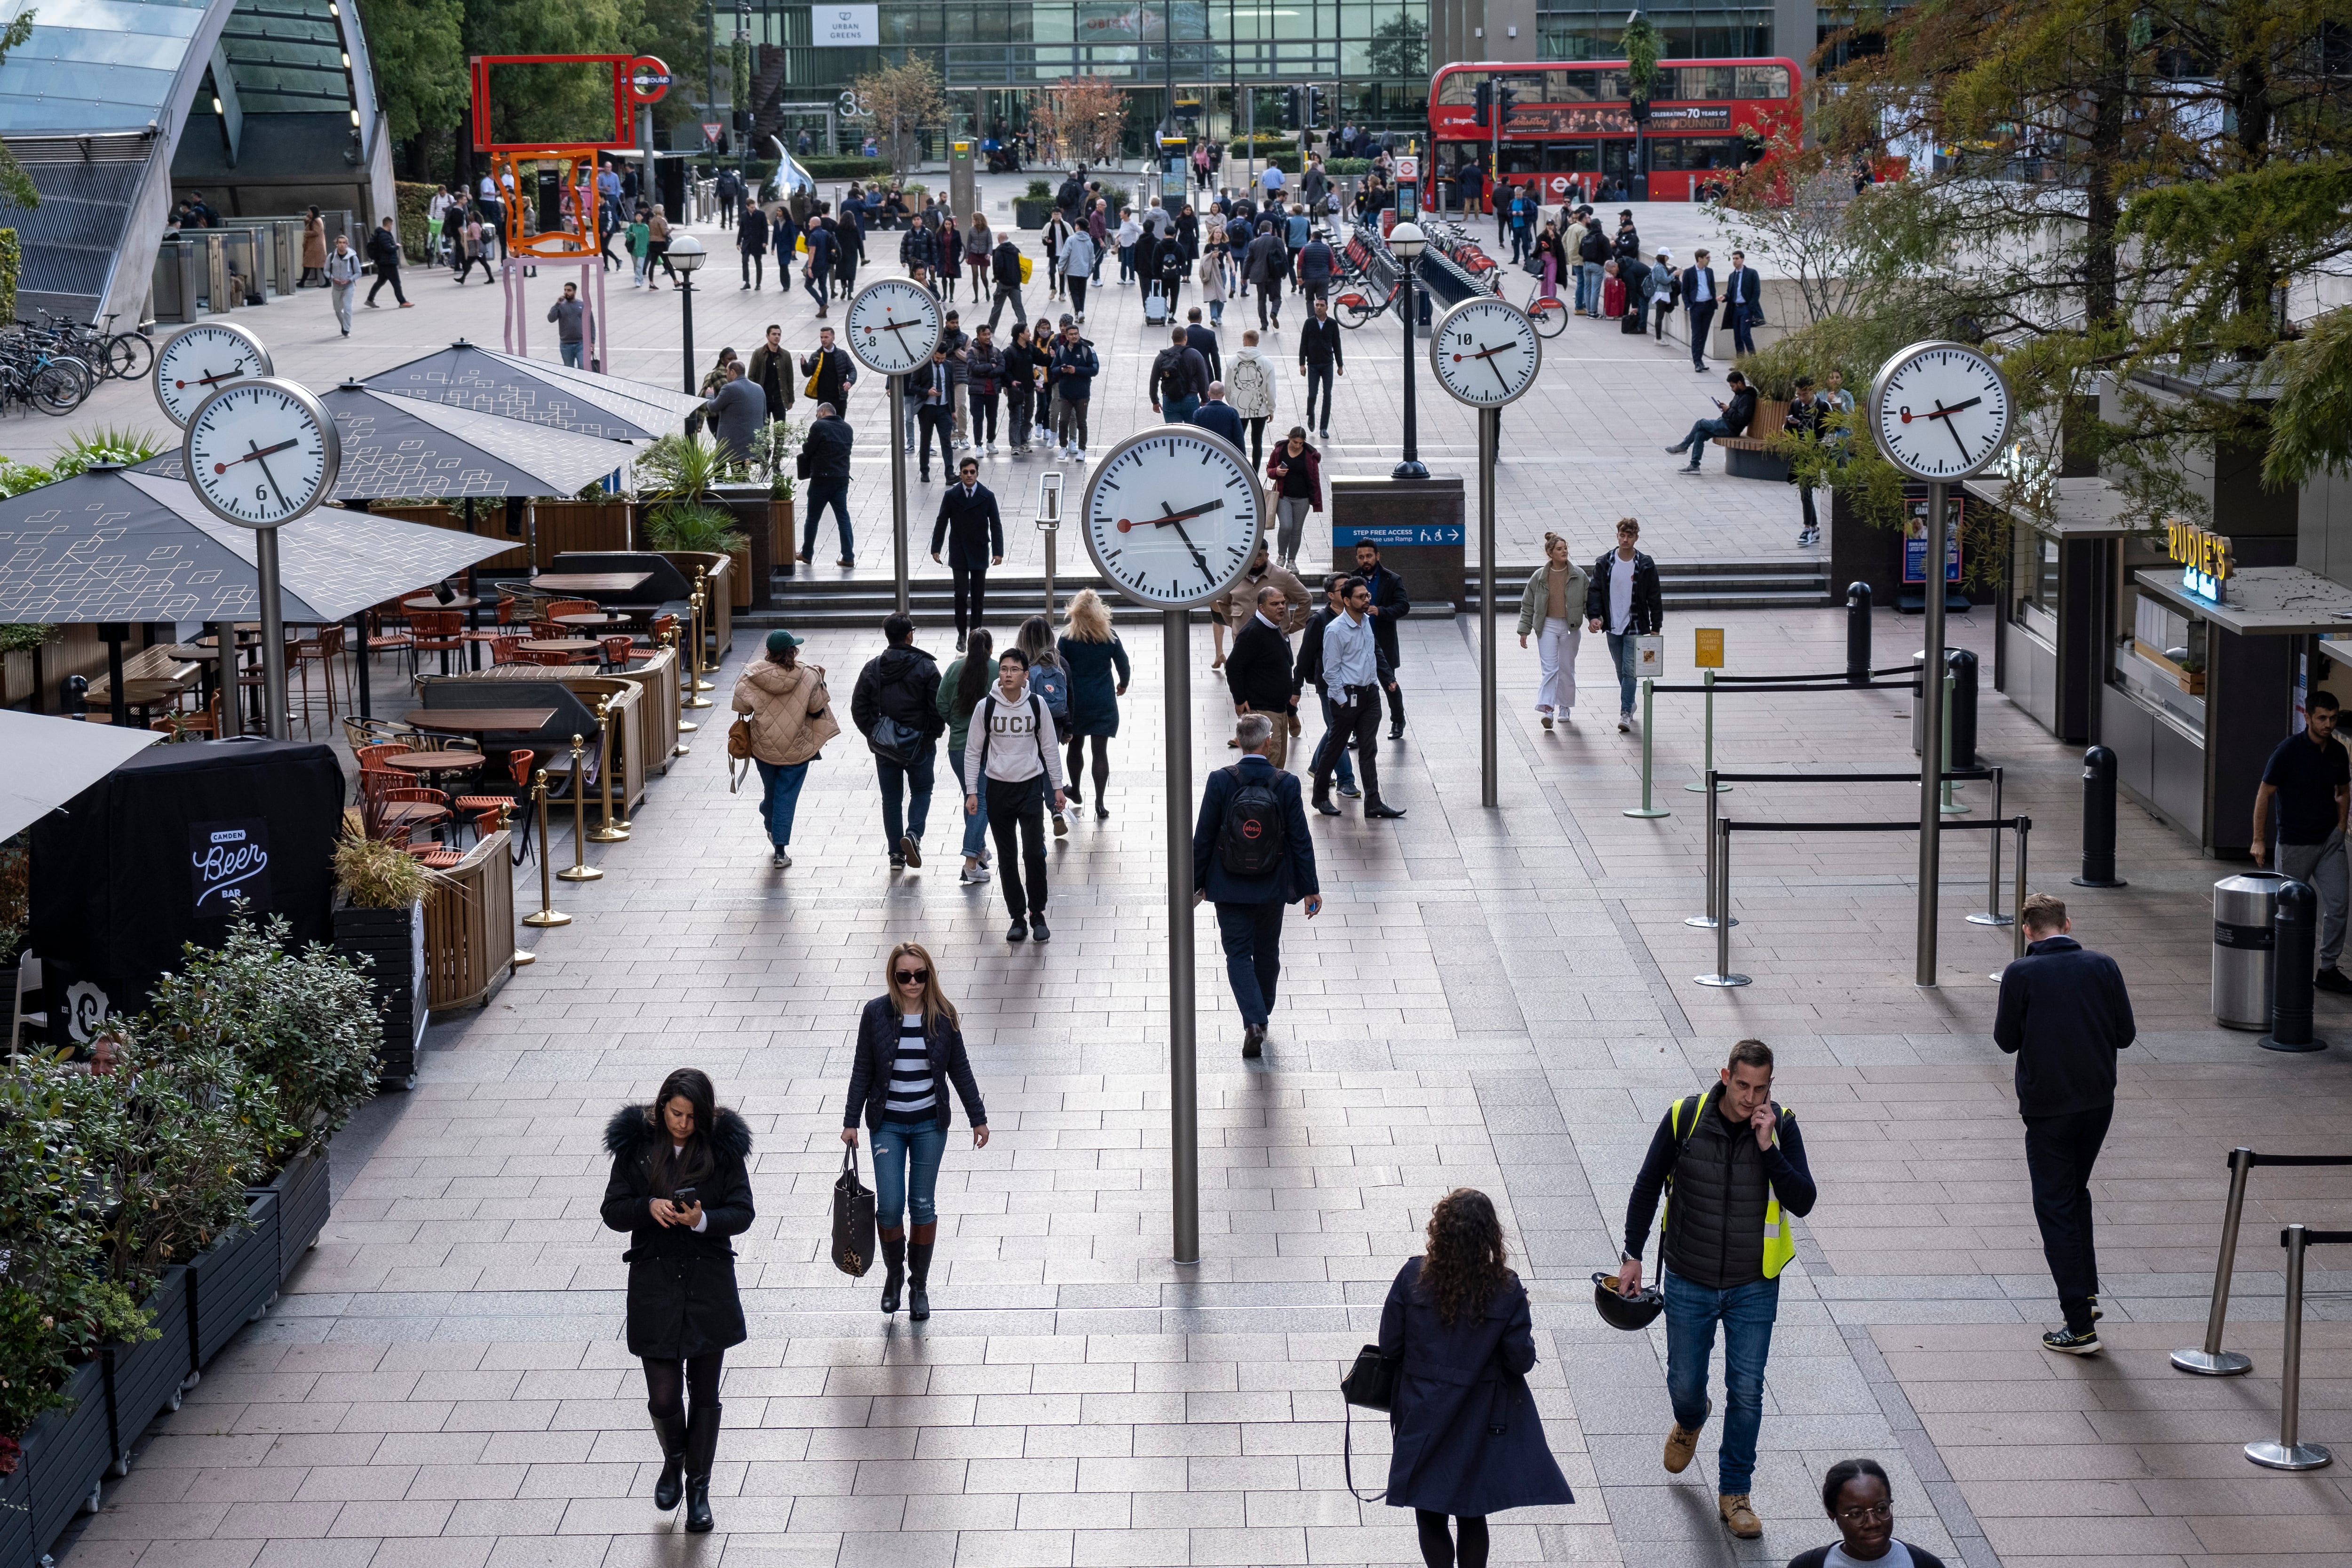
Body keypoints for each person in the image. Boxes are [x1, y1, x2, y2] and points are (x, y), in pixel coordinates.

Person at [1617, 1040, 1817, 1543]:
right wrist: (1632, 1254)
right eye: (1743, 1086)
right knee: (1685, 1383)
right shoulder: (1686, 1117)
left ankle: (1735, 1492)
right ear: (1725, 1076)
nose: (1751, 1099)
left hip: (1754, 1283)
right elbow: (1645, 1186)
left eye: (1762, 1089)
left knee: (1746, 1391)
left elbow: (1804, 1200)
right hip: (1689, 1275)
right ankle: (1690, 1418)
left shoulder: (1782, 1125)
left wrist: (1767, 1146)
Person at [1379, 1189, 1574, 1568]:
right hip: (1480, 1418)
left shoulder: (1411, 1277)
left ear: (1441, 1231)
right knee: (1472, 1511)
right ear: (1490, 1236)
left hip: (1422, 1410)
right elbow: (1520, 1360)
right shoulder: (1506, 1289)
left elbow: (1390, 1345)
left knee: (1429, 1509)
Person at [600, 1068, 754, 1534]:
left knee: (705, 1394)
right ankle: (674, 1459)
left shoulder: (721, 1149)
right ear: (661, 1106)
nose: (682, 1124)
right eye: (674, 1114)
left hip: (708, 1284)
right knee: (664, 1396)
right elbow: (612, 1210)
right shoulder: (637, 1148)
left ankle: (699, 1491)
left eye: (690, 1117)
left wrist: (703, 1220)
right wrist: (647, 1208)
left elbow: (743, 1211)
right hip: (656, 1283)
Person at [1994, 892, 2137, 1355]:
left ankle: (2078, 1324)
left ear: (2026, 931)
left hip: (2047, 1108)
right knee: (2075, 1193)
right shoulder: (2103, 967)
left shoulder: (2020, 973)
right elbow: (2125, 1035)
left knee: (2054, 1203)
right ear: (2067, 925)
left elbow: (2004, 1039)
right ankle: (2086, 1292)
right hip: (2097, 1102)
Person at [841, 945, 989, 1318]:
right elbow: (862, 1068)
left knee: (922, 1204)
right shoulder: (876, 1013)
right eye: (904, 975)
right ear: (893, 976)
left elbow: (961, 1070)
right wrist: (851, 1121)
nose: (912, 982)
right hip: (887, 1124)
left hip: (929, 1124)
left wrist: (978, 1117)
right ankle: (894, 1276)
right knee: (890, 1206)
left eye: (919, 975)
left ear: (929, 975)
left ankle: (918, 1286)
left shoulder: (944, 1015)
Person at [1194, 712, 1321, 1056]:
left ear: (1238, 741)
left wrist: (1194, 884)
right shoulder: (1286, 783)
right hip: (1271, 885)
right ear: (1268, 742)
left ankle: (1253, 1021)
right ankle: (1261, 1017)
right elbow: (1300, 839)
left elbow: (1204, 836)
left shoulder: (1221, 781)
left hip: (1228, 885)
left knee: (1238, 953)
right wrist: (1310, 887)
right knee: (1267, 951)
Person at [962, 647, 1068, 940]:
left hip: (1030, 787)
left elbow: (1049, 748)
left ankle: (1038, 913)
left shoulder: (1037, 705)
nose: (1008, 674)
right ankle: (1017, 917)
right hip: (997, 789)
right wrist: (972, 791)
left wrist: (1057, 788)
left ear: (1026, 676)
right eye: (1004, 669)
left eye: (1014, 670)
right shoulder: (986, 707)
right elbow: (973, 752)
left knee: (1034, 853)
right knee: (1008, 858)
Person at [2253, 691, 2352, 990]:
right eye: (2322, 718)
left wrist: (2341, 828)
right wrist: (2259, 840)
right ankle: (2283, 966)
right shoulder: (2288, 752)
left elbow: (2344, 790)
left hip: (2329, 843)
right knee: (2289, 910)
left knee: (2338, 904)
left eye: (2333, 718)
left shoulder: (2338, 752)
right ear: (2307, 717)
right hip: (2295, 843)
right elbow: (2264, 794)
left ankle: (2328, 968)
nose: (2328, 724)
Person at [728, 629, 836, 866]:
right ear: (793, 651)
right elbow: (817, 710)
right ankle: (780, 852)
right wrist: (821, 681)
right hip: (797, 748)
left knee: (772, 791)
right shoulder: (809, 675)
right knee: (786, 797)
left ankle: (770, 818)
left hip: (763, 747)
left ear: (769, 652)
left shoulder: (752, 674)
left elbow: (743, 709)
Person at [850, 611, 945, 870]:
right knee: (922, 790)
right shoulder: (926, 666)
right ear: (909, 635)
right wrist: (932, 735)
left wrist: (875, 733)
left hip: (886, 747)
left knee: (891, 799)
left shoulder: (874, 667)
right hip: (920, 744)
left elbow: (858, 707)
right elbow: (937, 706)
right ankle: (913, 835)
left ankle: (895, 855)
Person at [1309, 575, 1404, 818]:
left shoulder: (1367, 622)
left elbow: (1371, 655)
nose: (1366, 600)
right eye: (1361, 597)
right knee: (1335, 746)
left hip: (1369, 695)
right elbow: (1330, 670)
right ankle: (1319, 797)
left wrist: (1375, 685)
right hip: (1346, 698)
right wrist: (1341, 699)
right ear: (1347, 600)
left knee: (1368, 749)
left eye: (1368, 596)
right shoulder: (1335, 630)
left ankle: (1373, 803)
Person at [1789, 1459, 1950, 1568]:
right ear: (1834, 1517)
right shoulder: (1809, 1565)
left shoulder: (1923, 1564)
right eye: (1856, 1514)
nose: (1873, 1523)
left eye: (1881, 1509)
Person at [1056, 589, 1130, 817]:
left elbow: (1059, 669)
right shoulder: (1109, 636)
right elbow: (1124, 665)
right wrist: (1123, 684)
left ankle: (1076, 790)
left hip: (1076, 701)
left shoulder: (1067, 638)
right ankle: (1100, 801)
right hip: (1103, 701)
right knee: (1100, 752)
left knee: (1075, 746)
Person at [1585, 517, 1663, 732]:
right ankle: (1630, 700)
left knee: (1630, 670)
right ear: (1617, 535)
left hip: (1635, 625)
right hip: (1612, 625)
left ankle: (1625, 712)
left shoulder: (1645, 564)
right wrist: (1594, 616)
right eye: (1622, 535)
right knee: (1621, 669)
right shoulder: (1605, 562)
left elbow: (1654, 596)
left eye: (1630, 536)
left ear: (1636, 537)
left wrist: (1656, 626)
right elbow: (1595, 592)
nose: (1626, 540)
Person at [1223, 585, 1307, 775]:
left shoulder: (1274, 628)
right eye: (1275, 604)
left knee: (1278, 763)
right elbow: (1234, 666)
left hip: (1279, 710)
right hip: (1264, 713)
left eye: (1283, 603)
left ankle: (1272, 802)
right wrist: (1239, 699)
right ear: (1261, 608)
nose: (1281, 608)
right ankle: (1262, 802)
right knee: (1268, 763)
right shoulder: (1252, 632)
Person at [938, 629, 997, 885]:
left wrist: (956, 724)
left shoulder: (954, 669)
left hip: (958, 748)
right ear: (991, 649)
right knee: (982, 801)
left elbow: (941, 704)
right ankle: (971, 863)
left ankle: (980, 850)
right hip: (986, 748)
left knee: (971, 798)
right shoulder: (998, 670)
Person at [1295, 575, 1361, 800]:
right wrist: (1296, 688)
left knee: (1336, 728)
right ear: (1332, 595)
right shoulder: (1320, 620)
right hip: (1330, 686)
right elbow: (1304, 656)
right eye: (1343, 588)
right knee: (1339, 732)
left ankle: (1316, 766)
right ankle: (1346, 780)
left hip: (1355, 685)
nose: (1348, 591)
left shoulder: (1360, 616)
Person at [930, 456, 1004, 651]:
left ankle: (975, 634)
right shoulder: (952, 496)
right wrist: (936, 547)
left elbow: (996, 525)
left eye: (972, 472)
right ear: (960, 474)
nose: (969, 475)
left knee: (978, 597)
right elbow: (941, 521)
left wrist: (998, 552)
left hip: (979, 551)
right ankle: (962, 634)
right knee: (961, 595)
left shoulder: (987, 496)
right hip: (960, 552)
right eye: (965, 472)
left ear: (977, 474)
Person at [1518, 531, 1588, 730]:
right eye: (1560, 549)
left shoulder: (1579, 575)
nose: (1564, 552)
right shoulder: (1539, 577)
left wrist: (1595, 620)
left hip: (1570, 626)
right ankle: (1548, 709)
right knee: (1550, 669)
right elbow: (1528, 604)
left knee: (1566, 668)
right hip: (1547, 625)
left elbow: (1588, 602)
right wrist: (1525, 630)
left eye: (1565, 548)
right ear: (1550, 553)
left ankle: (1565, 706)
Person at [1211, 539, 1310, 670]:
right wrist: (1235, 623)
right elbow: (1223, 602)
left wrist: (1295, 626)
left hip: (1275, 642)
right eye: (1250, 555)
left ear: (1267, 556)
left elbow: (1306, 599)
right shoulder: (1235, 576)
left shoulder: (1283, 577)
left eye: (1258, 556)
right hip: (1243, 643)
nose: (1254, 560)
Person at [1352, 540, 1411, 739]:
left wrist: (1381, 611)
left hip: (1383, 643)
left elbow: (1403, 606)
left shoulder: (1392, 579)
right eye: (1361, 557)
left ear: (1378, 556)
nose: (1365, 560)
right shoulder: (1351, 580)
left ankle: (1397, 721)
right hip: (1357, 645)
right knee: (1356, 689)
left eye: (1369, 556)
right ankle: (1355, 730)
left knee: (1390, 684)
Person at [1667, 369, 1759, 474]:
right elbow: (1736, 412)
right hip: (1726, 424)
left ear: (1740, 383)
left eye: (1733, 386)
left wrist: (1728, 410)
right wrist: (1727, 408)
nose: (1732, 389)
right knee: (1700, 434)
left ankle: (1683, 447)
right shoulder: (1740, 395)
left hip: (1730, 428)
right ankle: (1694, 466)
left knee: (1700, 423)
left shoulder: (1747, 398)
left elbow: (1742, 419)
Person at [797, 402, 855, 566]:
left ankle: (807, 554)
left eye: (817, 414)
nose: (817, 417)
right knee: (843, 518)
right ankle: (848, 556)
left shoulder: (819, 426)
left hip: (821, 480)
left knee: (813, 519)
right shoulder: (847, 428)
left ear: (822, 412)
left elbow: (808, 450)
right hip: (841, 479)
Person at [1264, 428, 1323, 573]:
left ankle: (1292, 560)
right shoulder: (1280, 451)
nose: (1297, 445)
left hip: (1303, 498)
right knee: (1286, 526)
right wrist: (1276, 472)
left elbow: (1315, 478)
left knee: (1297, 531)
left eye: (1300, 443)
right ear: (1289, 438)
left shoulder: (1310, 455)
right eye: (1295, 442)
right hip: (1284, 496)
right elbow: (1269, 470)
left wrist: (1316, 500)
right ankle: (1281, 556)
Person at [1049, 318, 1097, 460]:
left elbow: (1094, 370)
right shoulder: (1063, 350)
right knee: (1063, 421)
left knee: (1081, 422)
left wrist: (1076, 370)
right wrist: (1062, 370)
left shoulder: (1086, 350)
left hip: (1082, 393)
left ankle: (1082, 449)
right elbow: (1053, 368)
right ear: (1067, 336)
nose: (1074, 336)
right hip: (1065, 393)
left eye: (1076, 334)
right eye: (1071, 334)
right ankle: (1063, 447)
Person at [1228, 329, 1278, 468]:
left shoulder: (1233, 361)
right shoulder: (1267, 363)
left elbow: (1228, 386)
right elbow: (1271, 389)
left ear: (1244, 342)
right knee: (1257, 442)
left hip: (1238, 408)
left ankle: (1240, 467)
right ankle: (1255, 471)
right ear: (1257, 342)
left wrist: (1232, 402)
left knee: (1238, 440)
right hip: (1260, 408)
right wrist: (1271, 408)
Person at [1297, 294, 1343, 441]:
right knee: (1312, 394)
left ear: (1327, 308)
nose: (1318, 308)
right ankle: (1311, 413)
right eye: (1317, 305)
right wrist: (1302, 364)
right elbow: (1303, 343)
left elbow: (1337, 344)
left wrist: (1340, 365)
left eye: (1321, 306)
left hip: (1328, 364)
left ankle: (1324, 427)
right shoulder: (1309, 323)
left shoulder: (1332, 324)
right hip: (1313, 365)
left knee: (1327, 395)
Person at [701, 361, 765, 466]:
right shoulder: (759, 388)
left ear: (732, 372)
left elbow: (713, 407)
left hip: (734, 443)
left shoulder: (729, 388)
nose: (726, 374)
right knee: (742, 474)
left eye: (727, 371)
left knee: (720, 470)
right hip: (754, 441)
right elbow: (764, 416)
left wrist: (709, 397)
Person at [1787, 375, 1825, 547]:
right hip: (1800, 453)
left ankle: (1809, 528)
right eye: (1799, 394)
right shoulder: (1795, 404)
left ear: (1813, 390)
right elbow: (1788, 429)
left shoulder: (1824, 407)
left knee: (1807, 490)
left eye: (1805, 394)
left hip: (1816, 454)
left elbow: (1830, 432)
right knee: (1805, 490)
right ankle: (1811, 528)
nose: (1802, 398)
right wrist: (1792, 424)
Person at [1150, 325, 1210, 425]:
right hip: (1191, 398)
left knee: (1173, 432)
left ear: (1173, 339)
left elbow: (1154, 380)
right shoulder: (1195, 355)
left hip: (1169, 399)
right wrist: (1205, 399)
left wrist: (1155, 401)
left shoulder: (1162, 356)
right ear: (1186, 338)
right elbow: (1203, 379)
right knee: (1193, 433)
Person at [912, 346, 956, 481]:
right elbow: (912, 386)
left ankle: (950, 473)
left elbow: (950, 389)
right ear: (933, 355)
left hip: (944, 409)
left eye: (943, 359)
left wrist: (953, 410)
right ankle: (924, 471)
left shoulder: (948, 366)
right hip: (927, 408)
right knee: (926, 440)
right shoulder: (922, 365)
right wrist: (927, 392)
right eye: (937, 358)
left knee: (946, 441)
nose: (940, 361)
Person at [1002, 323, 1042, 455]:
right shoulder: (1010, 352)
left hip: (1029, 388)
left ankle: (1024, 442)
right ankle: (1015, 444)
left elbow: (1043, 359)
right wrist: (1011, 382)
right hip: (1016, 390)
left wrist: (1053, 356)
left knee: (1028, 415)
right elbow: (1005, 371)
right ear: (1020, 334)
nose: (1030, 334)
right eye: (1028, 331)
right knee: (1016, 416)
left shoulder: (1030, 348)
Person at [747, 324, 795, 427]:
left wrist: (791, 399)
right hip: (764, 397)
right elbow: (751, 376)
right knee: (764, 429)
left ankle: (779, 444)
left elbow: (790, 378)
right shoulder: (759, 353)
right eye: (774, 334)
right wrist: (753, 397)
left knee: (780, 429)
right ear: (768, 336)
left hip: (780, 398)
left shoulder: (785, 355)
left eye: (779, 334)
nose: (777, 337)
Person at [801, 325, 857, 414]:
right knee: (825, 423)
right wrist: (804, 365)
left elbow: (852, 371)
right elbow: (808, 373)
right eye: (822, 337)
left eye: (826, 337)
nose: (823, 340)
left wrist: (850, 382)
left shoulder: (842, 354)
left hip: (839, 398)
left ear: (833, 338)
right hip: (823, 398)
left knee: (839, 422)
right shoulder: (816, 356)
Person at [966, 324, 1004, 455]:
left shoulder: (996, 351)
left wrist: (987, 371)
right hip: (976, 391)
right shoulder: (972, 352)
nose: (988, 337)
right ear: (978, 336)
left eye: (989, 334)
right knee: (978, 418)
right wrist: (991, 366)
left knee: (992, 417)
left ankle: (991, 442)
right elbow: (974, 369)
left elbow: (1001, 368)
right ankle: (978, 445)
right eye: (985, 335)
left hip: (993, 391)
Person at [1682, 247, 1720, 371]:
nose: (1709, 260)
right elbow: (1685, 291)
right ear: (1700, 259)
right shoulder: (1689, 272)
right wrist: (1688, 305)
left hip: (1708, 306)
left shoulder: (1710, 271)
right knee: (1697, 334)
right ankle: (1697, 361)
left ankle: (1701, 360)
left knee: (1704, 334)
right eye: (1707, 258)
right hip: (1696, 306)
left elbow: (1712, 287)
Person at [363, 215, 410, 308]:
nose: (392, 227)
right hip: (388, 263)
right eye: (391, 225)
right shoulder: (384, 235)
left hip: (383, 262)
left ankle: (370, 299)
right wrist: (396, 246)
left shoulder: (382, 234)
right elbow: (388, 248)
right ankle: (402, 302)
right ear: (389, 225)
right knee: (396, 283)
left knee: (380, 281)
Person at [1724, 248, 1762, 357]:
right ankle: (1740, 361)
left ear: (1742, 260)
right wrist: (1724, 297)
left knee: (1745, 334)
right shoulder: (1732, 276)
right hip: (1736, 308)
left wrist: (1751, 309)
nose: (1735, 261)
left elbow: (1756, 292)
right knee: (1737, 336)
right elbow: (1730, 293)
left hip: (1746, 308)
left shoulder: (1751, 273)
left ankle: (1753, 358)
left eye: (1737, 259)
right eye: (1733, 259)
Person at [988, 228, 1027, 331]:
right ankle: (1023, 326)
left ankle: (991, 328)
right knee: (1018, 307)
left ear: (999, 239)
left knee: (998, 307)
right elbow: (1022, 265)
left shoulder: (999, 251)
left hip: (1003, 284)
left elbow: (998, 266)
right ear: (1007, 238)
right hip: (1015, 283)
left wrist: (997, 278)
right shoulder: (1016, 250)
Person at [1190, 380, 1246, 449]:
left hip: (1205, 450)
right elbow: (1239, 438)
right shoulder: (1232, 412)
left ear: (1209, 394)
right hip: (1227, 451)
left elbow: (1196, 437)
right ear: (1223, 394)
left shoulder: (1199, 413)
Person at [546, 283, 590, 369]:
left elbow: (590, 323)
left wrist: (592, 341)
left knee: (583, 367)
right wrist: (557, 304)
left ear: (575, 291)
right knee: (569, 369)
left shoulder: (582, 305)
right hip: (566, 344)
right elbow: (551, 319)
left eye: (569, 290)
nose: (566, 292)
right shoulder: (560, 306)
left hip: (581, 343)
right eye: (565, 290)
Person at [324, 234, 361, 336]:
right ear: (337, 244)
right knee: (337, 309)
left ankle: (346, 329)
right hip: (336, 287)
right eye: (340, 243)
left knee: (348, 308)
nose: (342, 245)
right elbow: (326, 271)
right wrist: (332, 278)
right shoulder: (331, 257)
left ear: (347, 245)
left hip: (348, 286)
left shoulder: (353, 257)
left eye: (344, 243)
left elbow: (358, 272)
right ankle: (344, 325)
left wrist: (350, 280)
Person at [1059, 221, 1097, 321]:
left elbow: (1065, 255)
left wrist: (1061, 267)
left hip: (1072, 270)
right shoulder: (1089, 242)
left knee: (1074, 292)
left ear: (1078, 227)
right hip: (1084, 271)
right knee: (1082, 293)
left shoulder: (1071, 239)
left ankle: (1078, 312)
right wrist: (1089, 271)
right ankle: (1080, 313)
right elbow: (1091, 258)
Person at [1184, 305, 1221, 381]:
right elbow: (1215, 358)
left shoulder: (1184, 334)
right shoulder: (1210, 334)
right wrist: (1218, 379)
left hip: (1188, 374)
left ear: (1188, 318)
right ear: (1201, 318)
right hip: (1206, 374)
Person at [738, 199, 769, 289]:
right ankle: (747, 282)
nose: (753, 209)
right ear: (747, 207)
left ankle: (758, 284)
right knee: (744, 261)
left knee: (758, 262)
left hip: (758, 242)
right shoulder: (744, 215)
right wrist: (738, 242)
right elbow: (742, 229)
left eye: (754, 207)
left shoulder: (761, 214)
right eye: (751, 207)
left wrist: (765, 241)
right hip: (747, 242)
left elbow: (765, 229)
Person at [1649, 250, 1679, 340]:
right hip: (1661, 294)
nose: (1668, 259)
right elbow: (1665, 280)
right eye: (1667, 257)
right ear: (1663, 257)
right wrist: (1674, 274)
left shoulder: (1659, 266)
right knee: (1659, 317)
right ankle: (1658, 338)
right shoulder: (1659, 268)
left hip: (1661, 293)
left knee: (1660, 316)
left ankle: (1659, 338)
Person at [300, 206, 327, 286]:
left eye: (309, 212)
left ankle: (302, 282)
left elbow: (316, 232)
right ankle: (302, 282)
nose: (308, 213)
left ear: (313, 212)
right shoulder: (315, 220)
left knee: (308, 264)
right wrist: (307, 221)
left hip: (315, 247)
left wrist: (306, 233)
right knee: (315, 265)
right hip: (315, 246)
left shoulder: (316, 221)